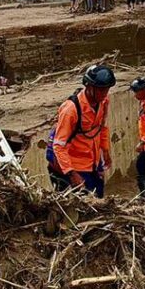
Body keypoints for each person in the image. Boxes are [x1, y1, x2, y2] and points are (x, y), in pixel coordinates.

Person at [48, 65, 115, 198]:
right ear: (89, 86)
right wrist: (72, 174)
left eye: (106, 90)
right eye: (101, 90)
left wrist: (105, 151)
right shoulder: (70, 110)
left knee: (99, 198)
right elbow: (58, 146)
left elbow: (101, 128)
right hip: (74, 166)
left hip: (92, 163)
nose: (104, 94)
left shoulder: (103, 102)